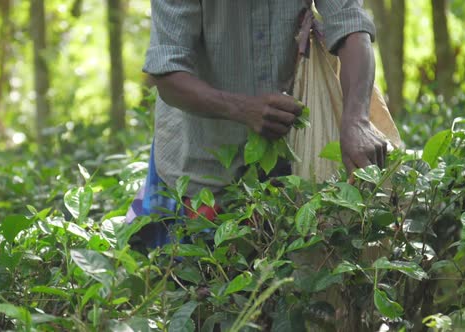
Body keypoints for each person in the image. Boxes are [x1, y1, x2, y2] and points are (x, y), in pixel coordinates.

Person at [127, 0, 388, 247]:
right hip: (200, 158)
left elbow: (352, 25)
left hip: (290, 152)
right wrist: (242, 108)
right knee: (200, 281)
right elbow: (167, 75)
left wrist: (356, 120)